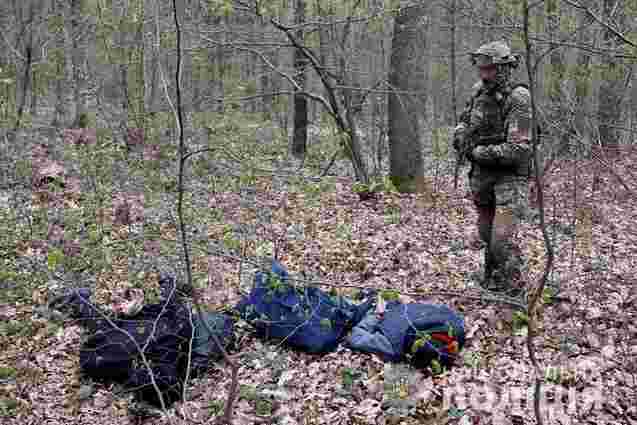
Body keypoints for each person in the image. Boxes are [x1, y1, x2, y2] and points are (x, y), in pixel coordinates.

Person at [452, 40, 533, 296]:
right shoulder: (478, 91)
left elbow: (520, 148)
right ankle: (493, 281)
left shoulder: (520, 98)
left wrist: (479, 152)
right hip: (483, 179)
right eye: (481, 68)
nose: (483, 73)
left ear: (503, 68)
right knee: (487, 234)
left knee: (501, 239)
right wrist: (460, 136)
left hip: (511, 178)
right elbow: (464, 121)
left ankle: (516, 293)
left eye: (489, 69)